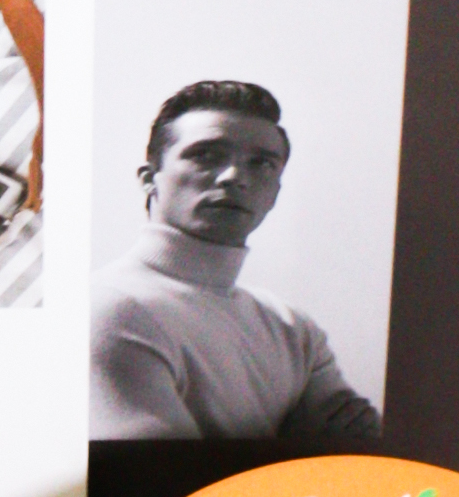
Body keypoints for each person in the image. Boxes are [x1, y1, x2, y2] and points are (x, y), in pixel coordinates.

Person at [89, 80, 381, 447]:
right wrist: (304, 445)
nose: (235, 177)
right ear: (150, 180)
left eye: (261, 163)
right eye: (206, 155)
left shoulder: (293, 328)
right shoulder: (109, 309)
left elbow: (360, 460)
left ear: (274, 193)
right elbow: (165, 479)